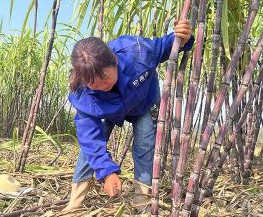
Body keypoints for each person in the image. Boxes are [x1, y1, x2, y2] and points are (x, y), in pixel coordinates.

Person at [62, 19, 194, 214]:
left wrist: (183, 37)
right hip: (109, 112)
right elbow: (90, 140)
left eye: (105, 78)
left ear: (114, 60)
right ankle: (74, 203)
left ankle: (142, 202)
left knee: (144, 146)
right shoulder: (83, 94)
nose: (100, 86)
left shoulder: (136, 52)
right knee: (88, 151)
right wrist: (107, 173)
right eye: (93, 83)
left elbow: (166, 45)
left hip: (142, 104)